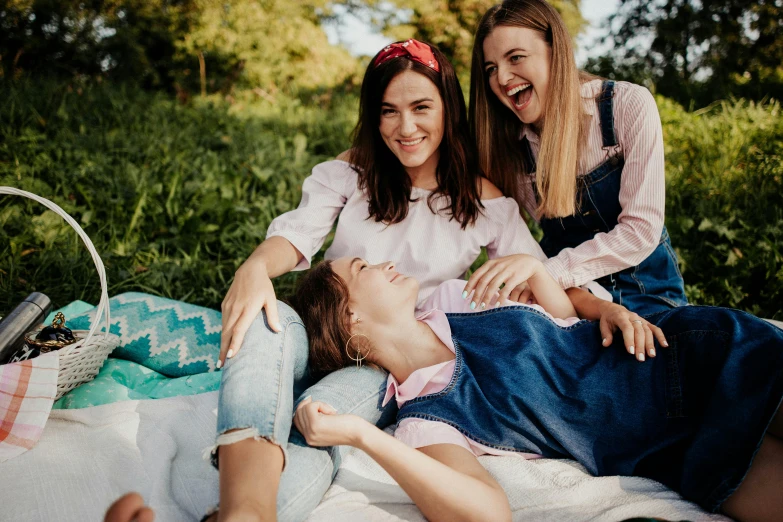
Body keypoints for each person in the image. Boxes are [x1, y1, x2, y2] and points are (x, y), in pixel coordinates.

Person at [211, 39, 650, 522]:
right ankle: (242, 503)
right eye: (388, 111)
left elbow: (537, 281)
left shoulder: (483, 200)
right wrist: (255, 267)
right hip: (323, 319)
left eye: (422, 107)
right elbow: (297, 236)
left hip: (380, 361)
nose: (405, 127)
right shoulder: (354, 170)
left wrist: (603, 308)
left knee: (318, 421)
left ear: (448, 108)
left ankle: (246, 515)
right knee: (261, 327)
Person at [290, 256, 783, 522]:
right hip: (679, 454)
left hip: (683, 359)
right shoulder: (424, 421)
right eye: (361, 269)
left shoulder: (453, 297)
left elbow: (563, 315)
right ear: (350, 320)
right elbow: (486, 514)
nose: (381, 264)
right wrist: (361, 435)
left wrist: (556, 281)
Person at [465, 0, 688, 315]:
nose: (502, 78)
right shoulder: (507, 149)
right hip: (567, 300)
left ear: (556, 52)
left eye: (515, 57)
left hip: (646, 292)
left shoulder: (626, 106)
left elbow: (641, 231)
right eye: (491, 69)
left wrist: (547, 273)